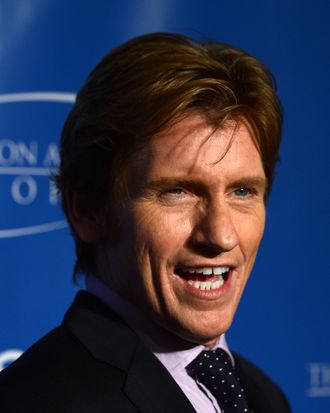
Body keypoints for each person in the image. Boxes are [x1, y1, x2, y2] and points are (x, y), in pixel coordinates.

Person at [0, 32, 291, 412]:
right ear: (89, 212)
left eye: (242, 192)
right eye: (178, 192)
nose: (221, 234)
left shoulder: (262, 395)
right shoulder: (33, 401)